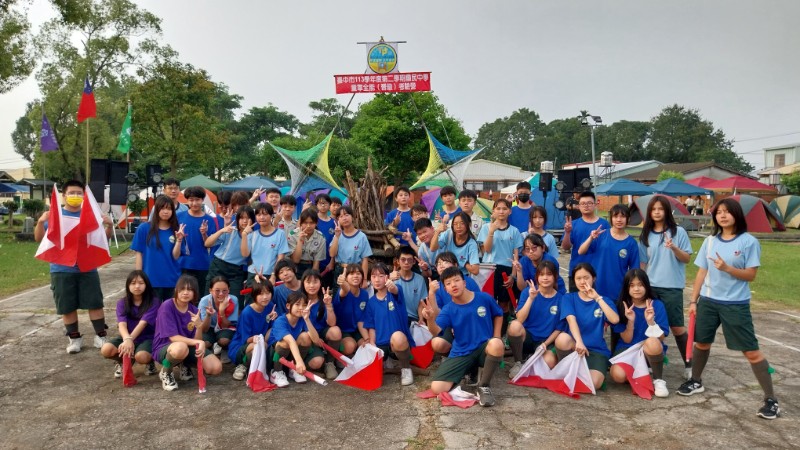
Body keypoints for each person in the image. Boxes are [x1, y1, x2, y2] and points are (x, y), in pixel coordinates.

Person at [678, 198, 780, 419]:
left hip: (735, 304)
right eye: (719, 212)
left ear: (736, 215)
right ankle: (695, 380)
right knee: (702, 343)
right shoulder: (710, 241)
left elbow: (751, 275)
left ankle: (771, 399)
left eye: (727, 212)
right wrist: (693, 301)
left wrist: (727, 268)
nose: (722, 216)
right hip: (708, 301)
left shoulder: (748, 242)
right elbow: (702, 272)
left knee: (751, 351)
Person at [34, 180, 113, 353]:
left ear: (84, 196)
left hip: (87, 266)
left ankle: (101, 336)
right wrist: (40, 222)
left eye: (79, 193)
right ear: (64, 195)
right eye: (71, 193)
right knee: (67, 306)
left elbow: (102, 240)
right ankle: (74, 339)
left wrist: (109, 226)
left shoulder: (90, 215)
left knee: (95, 303)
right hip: (61, 268)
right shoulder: (55, 215)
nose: (75, 196)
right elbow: (39, 239)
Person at [423, 267, 505, 407]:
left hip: (484, 349)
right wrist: (430, 319)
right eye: (448, 283)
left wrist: (496, 336)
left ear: (464, 282)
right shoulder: (449, 309)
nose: (453, 285)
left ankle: (484, 386)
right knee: (437, 387)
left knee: (496, 344)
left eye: (456, 280)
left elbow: (498, 314)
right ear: (445, 289)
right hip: (461, 351)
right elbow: (436, 331)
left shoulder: (483, 298)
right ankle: (468, 371)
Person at [638, 195, 694, 378]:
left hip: (672, 287)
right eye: (653, 209)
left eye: (660, 209)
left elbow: (686, 258)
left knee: (677, 328)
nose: (657, 212)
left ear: (667, 211)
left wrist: (674, 248)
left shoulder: (679, 232)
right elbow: (643, 263)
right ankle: (651, 361)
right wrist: (641, 285)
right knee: (651, 325)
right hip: (651, 287)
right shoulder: (645, 235)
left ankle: (690, 365)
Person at [555, 263, 620, 390]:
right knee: (562, 338)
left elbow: (615, 320)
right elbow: (571, 320)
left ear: (593, 278)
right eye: (578, 278)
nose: (582, 281)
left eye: (586, 277)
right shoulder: (568, 298)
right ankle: (566, 369)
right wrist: (579, 342)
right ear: (574, 280)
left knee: (594, 383)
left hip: (596, 350)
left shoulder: (604, 300)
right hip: (575, 346)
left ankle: (581, 373)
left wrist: (597, 298)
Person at [152, 275, 223, 391]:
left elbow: (196, 339)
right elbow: (173, 338)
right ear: (176, 290)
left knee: (215, 367)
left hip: (186, 347)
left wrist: (199, 327)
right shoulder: (167, 306)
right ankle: (166, 371)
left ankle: (184, 364)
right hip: (165, 347)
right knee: (180, 348)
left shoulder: (194, 310)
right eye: (182, 289)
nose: (185, 293)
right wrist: (199, 342)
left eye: (190, 289)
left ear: (195, 293)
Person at [610, 269, 670, 397]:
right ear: (626, 288)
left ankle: (658, 380)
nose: (636, 289)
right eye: (632, 285)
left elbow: (661, 337)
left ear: (646, 286)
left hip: (649, 349)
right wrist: (630, 321)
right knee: (617, 376)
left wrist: (651, 322)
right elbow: (627, 340)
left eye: (640, 285)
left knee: (652, 341)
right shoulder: (621, 306)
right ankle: (642, 373)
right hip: (627, 348)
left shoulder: (656, 305)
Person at [507, 261, 564, 378]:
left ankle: (530, 360)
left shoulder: (561, 299)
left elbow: (559, 328)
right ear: (537, 277)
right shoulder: (527, 292)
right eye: (541, 274)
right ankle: (518, 362)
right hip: (528, 337)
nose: (545, 278)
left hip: (546, 341)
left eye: (549, 274)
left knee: (550, 362)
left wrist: (545, 344)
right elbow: (520, 319)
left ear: (555, 276)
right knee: (514, 326)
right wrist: (531, 298)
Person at [99, 270, 160, 378]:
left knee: (142, 357)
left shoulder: (154, 302)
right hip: (127, 336)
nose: (137, 286)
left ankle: (150, 362)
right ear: (128, 285)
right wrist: (127, 339)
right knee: (106, 349)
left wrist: (129, 340)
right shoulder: (122, 303)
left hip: (148, 337)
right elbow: (122, 324)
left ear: (146, 285)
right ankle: (123, 361)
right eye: (133, 283)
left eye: (141, 283)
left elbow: (143, 323)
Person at [362, 263, 415, 386]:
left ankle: (406, 369)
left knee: (398, 337)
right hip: (381, 344)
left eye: (381, 276)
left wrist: (392, 286)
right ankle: (387, 361)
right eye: (374, 276)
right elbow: (371, 326)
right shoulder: (371, 302)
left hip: (397, 343)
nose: (377, 280)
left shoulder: (395, 292)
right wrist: (372, 344)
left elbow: (395, 290)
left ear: (387, 277)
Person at [477, 198, 523, 335]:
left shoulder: (514, 231)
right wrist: (491, 232)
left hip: (506, 270)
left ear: (510, 211)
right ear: (493, 211)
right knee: (488, 302)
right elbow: (486, 250)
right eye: (498, 208)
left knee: (504, 303)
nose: (501, 211)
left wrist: (513, 275)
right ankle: (487, 333)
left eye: (504, 208)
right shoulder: (486, 228)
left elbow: (515, 255)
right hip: (489, 269)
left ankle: (501, 334)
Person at [578, 204, 640, 300]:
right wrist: (590, 238)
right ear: (611, 218)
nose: (619, 220)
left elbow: (634, 270)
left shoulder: (631, 243)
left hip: (618, 291)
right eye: (615, 216)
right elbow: (581, 251)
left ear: (628, 219)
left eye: (622, 216)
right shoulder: (601, 235)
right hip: (595, 289)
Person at [427, 252, 482, 356]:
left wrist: (459, 323)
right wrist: (431, 294)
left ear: (456, 265)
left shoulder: (468, 281)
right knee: (437, 343)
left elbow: (479, 306)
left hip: (471, 322)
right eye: (438, 264)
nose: (441, 265)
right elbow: (437, 315)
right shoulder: (437, 287)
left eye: (445, 262)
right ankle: (453, 355)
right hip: (449, 324)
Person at [132, 195, 184, 303]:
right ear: (156, 209)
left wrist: (179, 240)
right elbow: (139, 254)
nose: (166, 211)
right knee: (151, 311)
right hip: (150, 280)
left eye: (169, 209)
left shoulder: (177, 229)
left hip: (172, 280)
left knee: (169, 311)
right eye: (162, 208)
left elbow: (176, 256)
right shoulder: (144, 228)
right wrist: (138, 276)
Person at [267, 291, 324, 388]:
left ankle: (293, 369)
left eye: (304, 305)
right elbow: (290, 341)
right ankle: (276, 371)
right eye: (297, 304)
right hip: (274, 356)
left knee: (305, 337)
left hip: (291, 353)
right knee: (285, 342)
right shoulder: (280, 321)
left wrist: (307, 320)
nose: (301, 308)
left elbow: (315, 340)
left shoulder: (303, 319)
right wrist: (300, 362)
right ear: (288, 306)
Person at [204, 205, 254, 310]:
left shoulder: (253, 236)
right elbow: (207, 243)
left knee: (236, 302)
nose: (245, 221)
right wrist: (222, 230)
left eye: (248, 218)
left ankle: (232, 320)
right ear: (237, 219)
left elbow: (245, 254)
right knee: (209, 298)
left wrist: (244, 235)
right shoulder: (231, 230)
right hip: (218, 266)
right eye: (242, 218)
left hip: (236, 271)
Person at [229, 281, 278, 381]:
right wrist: (258, 340)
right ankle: (243, 365)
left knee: (275, 332)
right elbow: (245, 339)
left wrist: (275, 319)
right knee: (259, 346)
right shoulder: (247, 312)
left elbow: (273, 329)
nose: (265, 297)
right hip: (243, 346)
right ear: (254, 295)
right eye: (261, 294)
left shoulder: (270, 306)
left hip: (262, 341)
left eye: (268, 293)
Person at [561, 191, 609, 292]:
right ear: (578, 206)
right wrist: (567, 233)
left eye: (589, 203)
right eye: (583, 203)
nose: (586, 206)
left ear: (595, 205)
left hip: (598, 272)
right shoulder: (573, 224)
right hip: (577, 272)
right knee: (576, 300)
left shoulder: (604, 224)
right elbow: (565, 247)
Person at [240, 202, 289, 298]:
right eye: (258, 215)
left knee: (270, 302)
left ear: (271, 216)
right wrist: (244, 235)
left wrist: (274, 275)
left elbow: (280, 258)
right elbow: (245, 254)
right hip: (253, 275)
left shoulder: (280, 234)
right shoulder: (252, 234)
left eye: (265, 214)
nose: (262, 217)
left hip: (271, 275)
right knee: (252, 303)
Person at [177, 186, 218, 291]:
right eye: (191, 200)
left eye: (197, 200)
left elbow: (209, 244)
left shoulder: (209, 220)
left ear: (202, 200)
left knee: (199, 295)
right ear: (187, 200)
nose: (194, 203)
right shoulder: (179, 217)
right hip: (182, 263)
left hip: (202, 264)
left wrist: (204, 234)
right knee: (183, 293)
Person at [301, 270, 340, 379]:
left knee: (336, 331)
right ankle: (303, 366)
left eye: (315, 282)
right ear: (303, 283)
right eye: (308, 282)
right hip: (307, 336)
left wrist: (328, 306)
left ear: (320, 283)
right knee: (316, 362)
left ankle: (329, 363)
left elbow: (332, 323)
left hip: (322, 334)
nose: (312, 285)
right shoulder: (299, 300)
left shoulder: (325, 299)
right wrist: (315, 338)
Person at [198, 276, 240, 364]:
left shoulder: (233, 300)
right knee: (204, 343)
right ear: (210, 290)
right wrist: (208, 316)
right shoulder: (204, 301)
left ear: (229, 290)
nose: (221, 294)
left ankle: (225, 349)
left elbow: (226, 325)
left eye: (224, 290)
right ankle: (209, 350)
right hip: (209, 327)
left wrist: (221, 311)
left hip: (224, 328)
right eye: (217, 290)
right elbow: (204, 329)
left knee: (224, 340)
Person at [329, 205, 372, 288]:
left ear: (352, 216)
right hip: (340, 271)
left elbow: (365, 260)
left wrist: (364, 279)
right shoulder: (337, 235)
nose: (344, 218)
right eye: (341, 216)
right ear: (338, 220)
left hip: (355, 271)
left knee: (354, 294)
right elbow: (332, 254)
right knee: (339, 294)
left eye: (346, 215)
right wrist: (337, 237)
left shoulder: (361, 236)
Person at [334, 264, 370, 356]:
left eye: (358, 273)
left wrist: (367, 339)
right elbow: (345, 289)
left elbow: (361, 320)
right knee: (349, 347)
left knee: (367, 346)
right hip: (342, 330)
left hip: (357, 329)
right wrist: (342, 283)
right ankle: (340, 351)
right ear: (346, 278)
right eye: (351, 274)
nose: (355, 276)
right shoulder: (343, 292)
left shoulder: (365, 294)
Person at [430, 211, 480, 277]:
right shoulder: (449, 234)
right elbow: (432, 248)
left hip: (461, 276)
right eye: (455, 224)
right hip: (447, 274)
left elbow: (475, 270)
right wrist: (437, 232)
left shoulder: (471, 244)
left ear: (469, 224)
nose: (458, 226)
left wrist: (462, 261)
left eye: (462, 223)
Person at [390, 246, 428, 324]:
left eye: (409, 260)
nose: (406, 262)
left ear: (414, 261)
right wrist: (389, 280)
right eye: (403, 259)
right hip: (396, 317)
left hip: (413, 319)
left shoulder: (420, 279)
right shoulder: (392, 278)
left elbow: (421, 302)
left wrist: (421, 319)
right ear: (398, 261)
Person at [287, 208, 327, 275]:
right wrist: (300, 241)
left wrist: (313, 276)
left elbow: (316, 263)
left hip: (310, 266)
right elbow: (295, 260)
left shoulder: (321, 237)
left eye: (311, 223)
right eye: (305, 223)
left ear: (316, 223)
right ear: (301, 223)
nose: (308, 226)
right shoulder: (293, 234)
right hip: (294, 267)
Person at [314, 194, 337, 288]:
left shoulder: (334, 223)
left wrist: (332, 261)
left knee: (327, 288)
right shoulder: (313, 220)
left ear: (329, 205)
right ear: (316, 205)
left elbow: (336, 242)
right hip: (313, 260)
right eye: (320, 203)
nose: (323, 205)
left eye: (325, 203)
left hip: (328, 262)